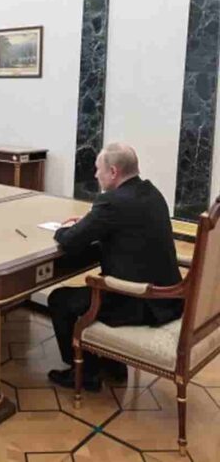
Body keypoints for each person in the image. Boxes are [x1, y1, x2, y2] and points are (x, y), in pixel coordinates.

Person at [47, 143, 183, 391]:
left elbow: (70, 241)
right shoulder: (151, 193)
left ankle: (84, 372)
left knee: (60, 300)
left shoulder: (111, 202)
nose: (95, 174)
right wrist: (90, 221)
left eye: (98, 169)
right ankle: (111, 365)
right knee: (85, 293)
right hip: (169, 299)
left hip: (140, 301)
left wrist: (65, 229)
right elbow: (127, 227)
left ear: (113, 172)